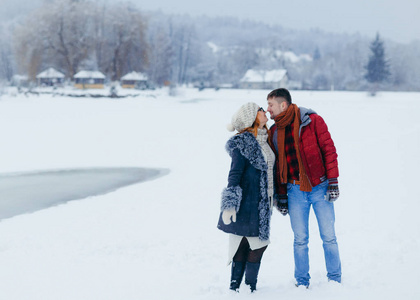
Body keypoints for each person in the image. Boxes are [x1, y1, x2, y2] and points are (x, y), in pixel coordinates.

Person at [266, 88, 341, 288]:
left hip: (320, 187)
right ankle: (301, 282)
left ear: (283, 105)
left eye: (270, 105)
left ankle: (334, 279)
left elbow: (329, 150)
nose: (268, 110)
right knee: (300, 239)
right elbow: (275, 168)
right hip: (294, 191)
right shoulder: (274, 131)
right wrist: (281, 197)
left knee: (328, 236)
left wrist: (333, 182)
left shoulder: (312, 121)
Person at [217, 102, 279, 293]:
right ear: (251, 117)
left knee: (256, 243)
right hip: (246, 202)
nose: (264, 111)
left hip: (264, 202)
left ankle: (247, 287)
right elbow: (234, 174)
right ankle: (239, 287)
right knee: (246, 243)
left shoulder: (266, 138)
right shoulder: (242, 142)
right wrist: (229, 204)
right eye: (260, 110)